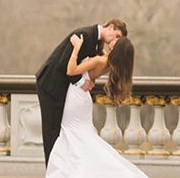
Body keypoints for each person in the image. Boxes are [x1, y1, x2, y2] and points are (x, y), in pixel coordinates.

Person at [38, 23, 180, 178]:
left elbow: (71, 70)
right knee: (80, 136)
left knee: (72, 134)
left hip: (76, 96)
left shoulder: (101, 60)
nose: (114, 40)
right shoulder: (109, 62)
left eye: (117, 40)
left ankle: (66, 176)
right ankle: (73, 174)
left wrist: (76, 48)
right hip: (82, 98)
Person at [35, 20, 126, 164]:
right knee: (52, 131)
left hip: (66, 88)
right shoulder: (84, 35)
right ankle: (52, 177)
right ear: (110, 27)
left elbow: (85, 65)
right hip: (51, 84)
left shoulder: (96, 43)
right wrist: (82, 82)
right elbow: (63, 64)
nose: (115, 40)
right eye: (117, 36)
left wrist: (88, 78)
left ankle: (60, 173)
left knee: (61, 133)